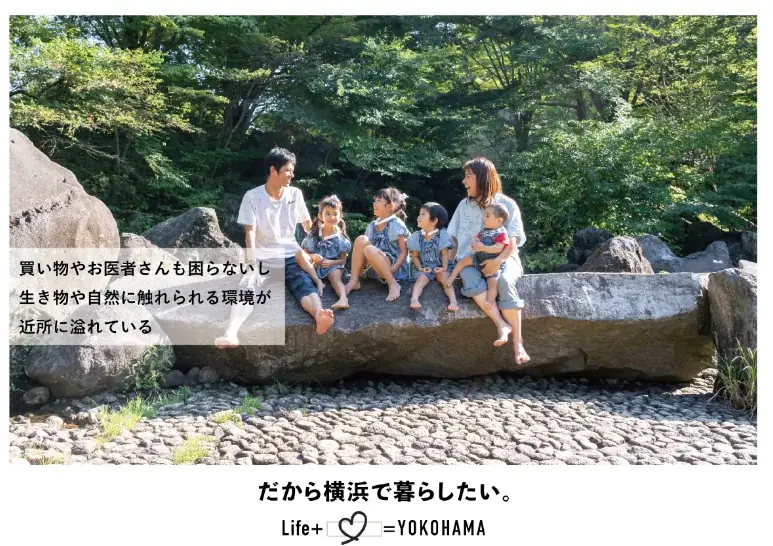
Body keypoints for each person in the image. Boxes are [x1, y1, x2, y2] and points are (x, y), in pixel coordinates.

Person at [215, 147, 335, 347]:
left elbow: (308, 227)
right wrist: (252, 262)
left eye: (292, 170)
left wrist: (324, 235)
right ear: (273, 170)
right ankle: (231, 333)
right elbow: (250, 233)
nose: (292, 175)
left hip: (291, 256)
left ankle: (319, 316)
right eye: (288, 170)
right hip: (263, 258)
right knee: (248, 286)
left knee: (303, 284)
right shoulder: (252, 197)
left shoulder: (295, 194)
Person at [446, 157, 530, 364]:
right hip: (472, 260)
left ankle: (518, 344)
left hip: (504, 258)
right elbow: (453, 240)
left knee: (505, 282)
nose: (464, 181)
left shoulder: (506, 204)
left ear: (483, 178)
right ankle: (501, 324)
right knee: (469, 277)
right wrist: (446, 264)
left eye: (468, 176)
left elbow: (513, 242)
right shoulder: (463, 205)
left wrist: (497, 261)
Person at [344, 187, 412, 302]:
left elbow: (404, 251)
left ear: (390, 207)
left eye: (379, 201)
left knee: (370, 249)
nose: (374, 204)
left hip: (392, 268)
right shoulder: (372, 225)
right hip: (375, 266)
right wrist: (362, 267)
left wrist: (394, 267)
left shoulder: (396, 224)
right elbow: (364, 250)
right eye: (374, 201)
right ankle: (354, 280)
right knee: (361, 239)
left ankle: (393, 284)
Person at [446, 203, 510, 311]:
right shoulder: (484, 229)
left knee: (493, 283)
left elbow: (499, 248)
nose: (484, 218)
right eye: (484, 215)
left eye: (487, 216)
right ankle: (452, 277)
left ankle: (490, 300)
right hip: (478, 258)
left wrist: (484, 247)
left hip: (492, 263)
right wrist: (475, 243)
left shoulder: (501, 233)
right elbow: (477, 238)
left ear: (499, 220)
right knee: (464, 260)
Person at [300, 195, 352, 310]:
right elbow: (303, 255)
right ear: (320, 216)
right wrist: (312, 256)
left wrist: (331, 262)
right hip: (314, 266)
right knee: (303, 273)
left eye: (335, 214)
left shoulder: (341, 239)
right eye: (327, 214)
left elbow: (343, 260)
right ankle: (318, 284)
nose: (332, 217)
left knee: (335, 278)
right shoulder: (314, 235)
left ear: (341, 216)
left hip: (333, 266)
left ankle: (343, 298)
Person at [407, 202, 458, 311]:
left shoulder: (442, 235)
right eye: (419, 214)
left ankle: (453, 300)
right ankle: (414, 299)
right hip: (426, 267)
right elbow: (414, 256)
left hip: (440, 266)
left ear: (434, 220)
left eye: (423, 214)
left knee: (445, 278)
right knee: (421, 279)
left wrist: (444, 267)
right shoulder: (416, 237)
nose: (419, 217)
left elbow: (444, 254)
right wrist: (420, 268)